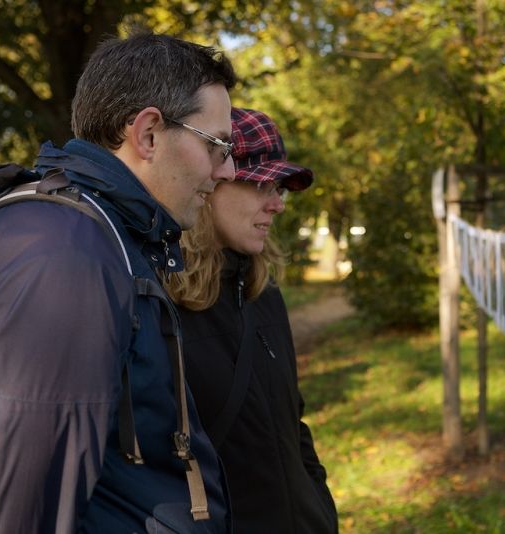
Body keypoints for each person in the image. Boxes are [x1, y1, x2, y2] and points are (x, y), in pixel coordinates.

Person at [0, 31, 237, 532]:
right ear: (149, 135)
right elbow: (12, 501)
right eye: (218, 146)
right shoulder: (65, 254)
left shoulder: (104, 236)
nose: (226, 170)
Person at [166, 107, 338, 533]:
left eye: (280, 187)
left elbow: (292, 429)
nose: (278, 204)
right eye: (262, 184)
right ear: (213, 182)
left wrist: (321, 510)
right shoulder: (161, 308)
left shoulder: (265, 295)